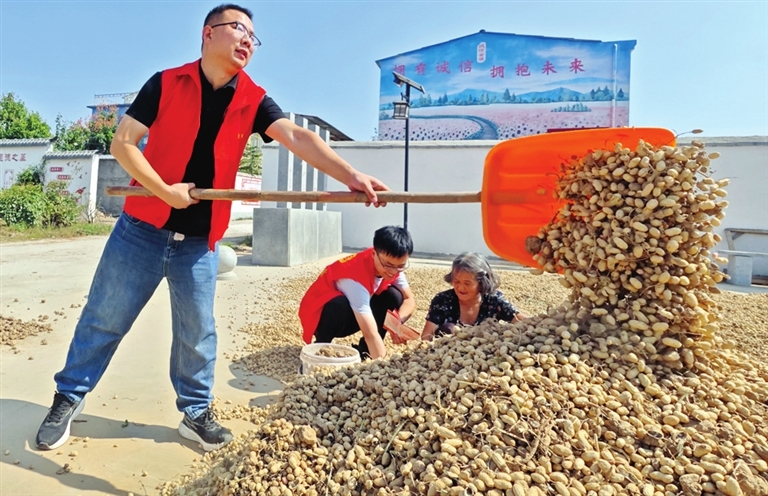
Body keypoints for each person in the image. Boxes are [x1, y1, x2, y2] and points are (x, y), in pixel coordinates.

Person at [35, 3, 388, 453]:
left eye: (253, 38)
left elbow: (300, 137)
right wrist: (163, 190)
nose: (247, 41)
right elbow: (122, 143)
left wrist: (351, 177)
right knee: (104, 317)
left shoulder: (253, 98)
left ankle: (195, 412)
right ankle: (68, 397)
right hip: (141, 229)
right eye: (238, 29)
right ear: (207, 33)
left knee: (198, 331)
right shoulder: (165, 83)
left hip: (200, 243)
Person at [299, 226, 416, 360]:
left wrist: (396, 324)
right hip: (321, 315)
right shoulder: (354, 275)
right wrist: (382, 367)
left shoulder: (392, 266)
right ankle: (321, 347)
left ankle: (365, 352)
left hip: (353, 309)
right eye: (388, 265)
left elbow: (409, 299)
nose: (393, 271)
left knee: (393, 296)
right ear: (374, 254)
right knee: (339, 305)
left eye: (401, 266)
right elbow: (370, 333)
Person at [421, 252, 528, 341]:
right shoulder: (442, 300)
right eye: (456, 281)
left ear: (481, 283)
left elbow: (520, 320)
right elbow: (426, 336)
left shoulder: (494, 300)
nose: (461, 288)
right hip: (446, 357)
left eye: (467, 283)